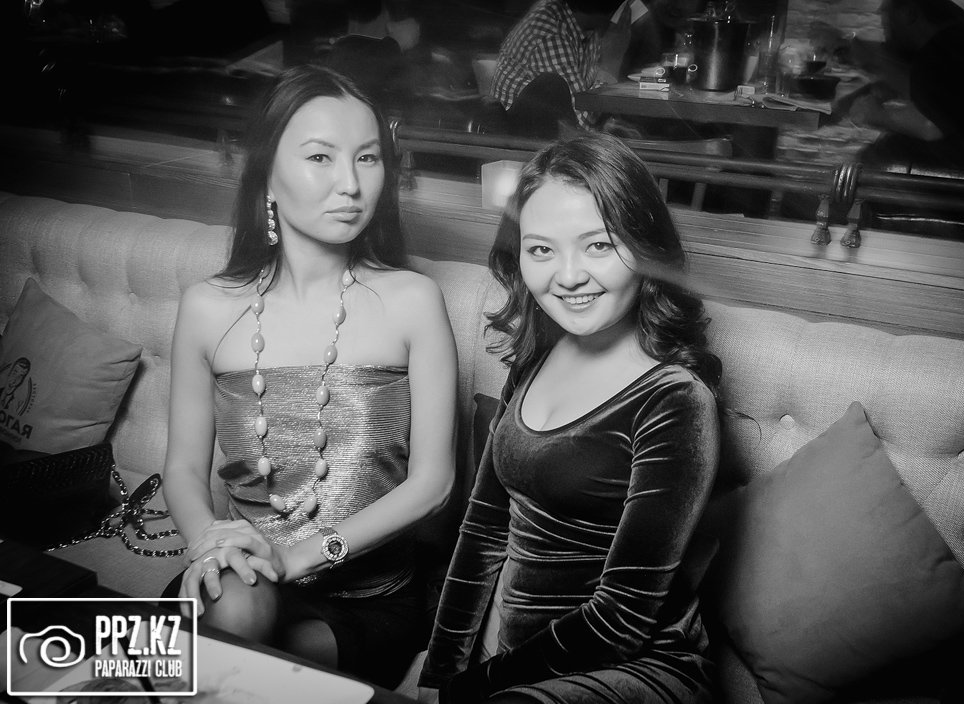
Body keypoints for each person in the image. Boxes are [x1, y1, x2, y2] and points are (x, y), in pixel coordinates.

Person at [161, 64, 457, 689]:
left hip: (369, 599)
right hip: (241, 576)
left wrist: (294, 557)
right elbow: (183, 468)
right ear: (268, 174)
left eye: (368, 158)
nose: (350, 183)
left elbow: (433, 484)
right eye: (321, 156)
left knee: (243, 662)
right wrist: (212, 544)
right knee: (238, 605)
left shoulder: (412, 300)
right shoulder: (208, 307)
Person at [417, 132, 723, 703]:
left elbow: (622, 619)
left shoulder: (676, 400)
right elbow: (483, 532)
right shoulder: (536, 358)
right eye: (541, 250)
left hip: (638, 668)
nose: (569, 276)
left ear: (645, 247)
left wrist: (474, 689)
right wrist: (439, 675)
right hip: (513, 666)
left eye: (598, 245)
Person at [834, 0, 964, 150]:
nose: (882, 21)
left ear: (909, 12)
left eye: (886, 12)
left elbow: (931, 126)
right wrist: (877, 89)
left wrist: (877, 115)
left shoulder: (936, 55)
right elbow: (950, 99)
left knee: (874, 155)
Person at [492, 0, 641, 138]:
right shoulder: (550, 34)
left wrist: (608, 126)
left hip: (550, 137)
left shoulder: (585, 27)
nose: (627, 17)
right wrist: (611, 63)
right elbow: (575, 125)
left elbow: (583, 107)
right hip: (518, 145)